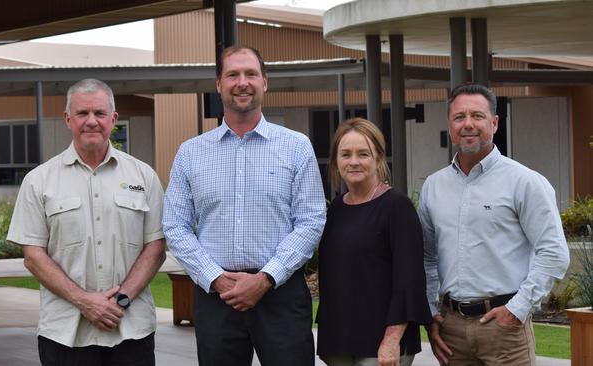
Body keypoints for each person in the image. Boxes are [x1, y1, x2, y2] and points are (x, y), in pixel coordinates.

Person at [162, 45, 326, 366]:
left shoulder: (296, 147)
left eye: (251, 73)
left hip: (280, 294)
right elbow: (175, 226)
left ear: (265, 82)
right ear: (219, 84)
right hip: (216, 297)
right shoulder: (191, 153)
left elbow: (311, 221)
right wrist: (216, 278)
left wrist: (265, 278)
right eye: (233, 74)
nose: (242, 82)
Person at [7, 78, 166, 366]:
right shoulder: (39, 181)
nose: (91, 121)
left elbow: (155, 247)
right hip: (65, 334)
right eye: (82, 113)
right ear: (68, 119)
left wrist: (121, 301)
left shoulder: (143, 177)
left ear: (114, 119)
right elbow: (33, 256)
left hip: (131, 331)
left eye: (100, 113)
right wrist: (84, 301)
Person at [418, 83, 570, 366]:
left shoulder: (525, 182)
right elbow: (428, 257)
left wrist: (517, 309)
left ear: (495, 122)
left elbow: (553, 253)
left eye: (477, 115)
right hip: (451, 332)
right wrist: (431, 313)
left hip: (504, 330)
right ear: (449, 125)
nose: (468, 124)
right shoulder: (433, 187)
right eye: (459, 117)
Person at [316, 118, 432, 366]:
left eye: (363, 154)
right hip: (340, 342)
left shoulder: (396, 207)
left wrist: (391, 341)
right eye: (345, 154)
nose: (354, 161)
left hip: (380, 346)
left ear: (379, 158)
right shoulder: (336, 209)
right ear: (336, 161)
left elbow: (408, 281)